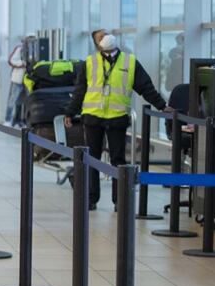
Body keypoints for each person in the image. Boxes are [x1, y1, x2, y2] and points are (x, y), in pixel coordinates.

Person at [66, 30, 166, 210]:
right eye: (100, 37)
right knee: (91, 158)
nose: (106, 37)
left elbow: (146, 87)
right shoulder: (89, 62)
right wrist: (70, 113)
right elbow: (80, 91)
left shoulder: (130, 61)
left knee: (118, 160)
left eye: (107, 34)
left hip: (117, 118)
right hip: (93, 117)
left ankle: (119, 200)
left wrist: (162, 106)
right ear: (97, 44)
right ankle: (91, 198)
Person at [6, 42, 26, 126]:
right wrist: (22, 63)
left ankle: (18, 120)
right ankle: (8, 119)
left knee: (22, 102)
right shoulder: (19, 48)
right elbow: (10, 60)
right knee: (12, 100)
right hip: (17, 79)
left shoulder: (36, 49)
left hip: (27, 80)